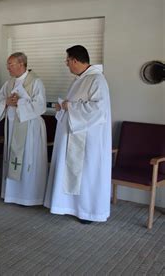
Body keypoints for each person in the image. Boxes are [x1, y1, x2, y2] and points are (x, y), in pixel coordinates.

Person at [44, 45, 112, 224]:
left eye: (67, 61)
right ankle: (71, 206)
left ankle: (88, 211)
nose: (67, 64)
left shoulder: (97, 79)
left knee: (87, 175)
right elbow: (74, 105)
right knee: (73, 173)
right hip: (74, 135)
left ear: (75, 60)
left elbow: (98, 109)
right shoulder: (80, 80)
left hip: (88, 139)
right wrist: (63, 107)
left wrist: (70, 107)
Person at [0, 52, 48, 206]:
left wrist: (19, 103)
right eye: (8, 65)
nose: (8, 68)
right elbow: (0, 99)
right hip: (13, 126)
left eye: (10, 65)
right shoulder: (9, 83)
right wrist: (6, 102)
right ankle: (11, 194)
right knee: (13, 156)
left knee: (27, 158)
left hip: (30, 127)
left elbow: (40, 105)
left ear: (21, 64)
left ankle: (29, 196)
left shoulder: (36, 82)